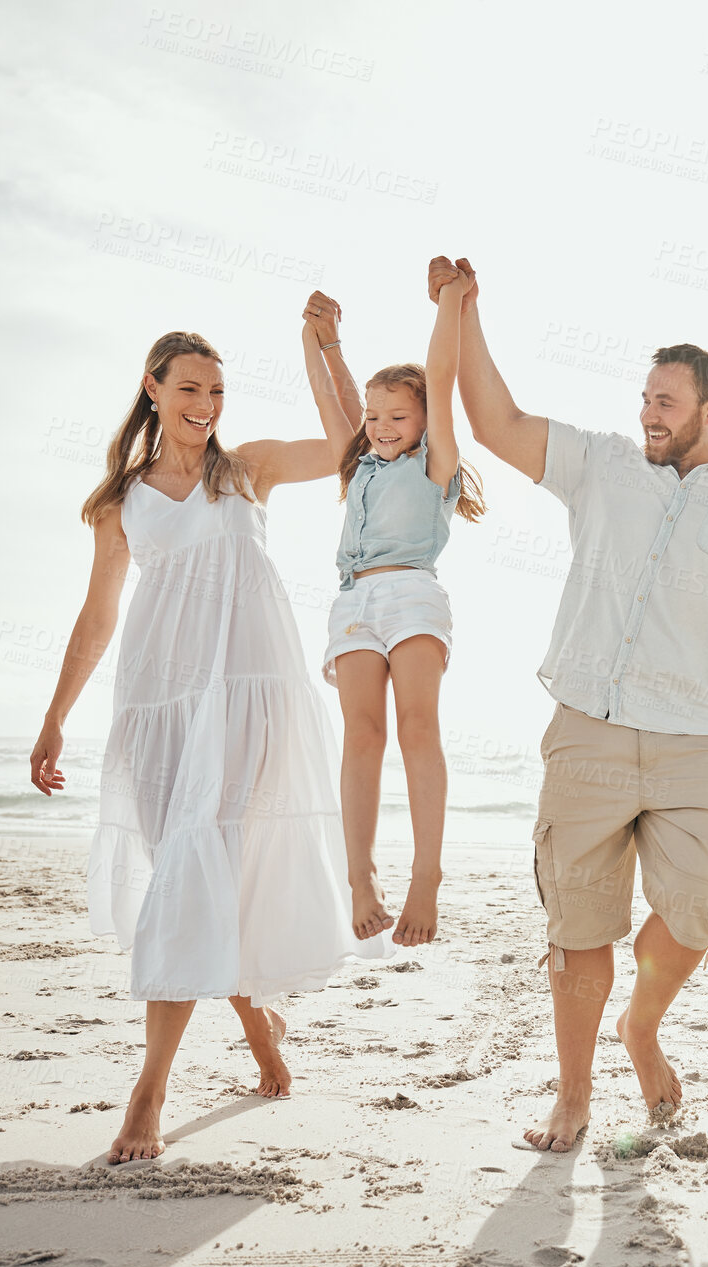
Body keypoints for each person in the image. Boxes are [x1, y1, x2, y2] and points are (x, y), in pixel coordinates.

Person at [426, 256, 708, 1153]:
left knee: (701, 903)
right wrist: (465, 309)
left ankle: (642, 1024)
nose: (649, 414)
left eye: (667, 402)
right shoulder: (599, 465)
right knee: (580, 923)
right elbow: (497, 420)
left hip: (695, 743)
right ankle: (575, 1095)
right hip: (587, 728)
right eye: (644, 398)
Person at [29, 330, 392, 1165]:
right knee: (195, 875)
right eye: (190, 389)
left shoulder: (247, 470)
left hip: (246, 700)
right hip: (160, 704)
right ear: (153, 388)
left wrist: (320, 348)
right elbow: (97, 619)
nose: (206, 406)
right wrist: (55, 717)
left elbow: (352, 447)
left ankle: (148, 1092)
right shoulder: (121, 502)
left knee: (202, 866)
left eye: (218, 392)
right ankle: (257, 1020)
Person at [298, 275, 485, 947]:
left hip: (411, 593)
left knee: (415, 729)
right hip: (353, 601)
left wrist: (448, 306)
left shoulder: (435, 463)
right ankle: (361, 878)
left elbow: (440, 372)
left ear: (427, 421)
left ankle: (426, 875)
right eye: (375, 418)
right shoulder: (362, 465)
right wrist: (319, 341)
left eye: (397, 416)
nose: (380, 427)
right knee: (363, 736)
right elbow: (339, 403)